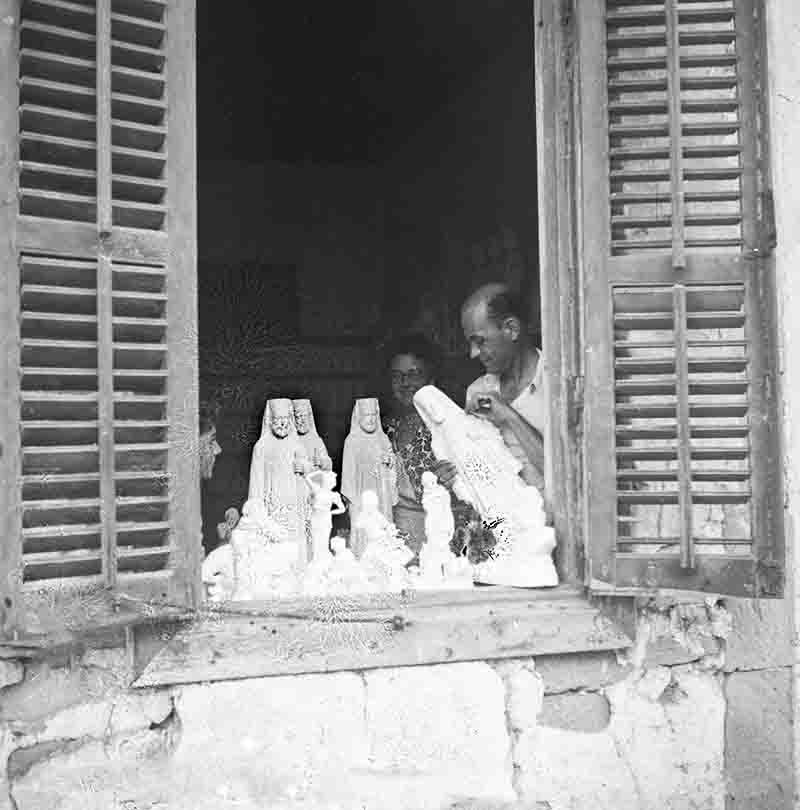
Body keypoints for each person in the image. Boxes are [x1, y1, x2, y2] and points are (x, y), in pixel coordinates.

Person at [437, 282, 546, 493]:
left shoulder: (558, 384)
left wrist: (508, 415)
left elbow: (569, 474)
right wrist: (453, 474)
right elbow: (480, 479)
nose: (473, 353)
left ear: (511, 329)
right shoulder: (477, 392)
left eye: (480, 341)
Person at [380, 332, 472, 562]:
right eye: (397, 376)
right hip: (395, 541)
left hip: (441, 538)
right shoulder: (382, 428)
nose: (405, 383)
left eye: (414, 374)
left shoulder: (449, 426)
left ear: (431, 380)